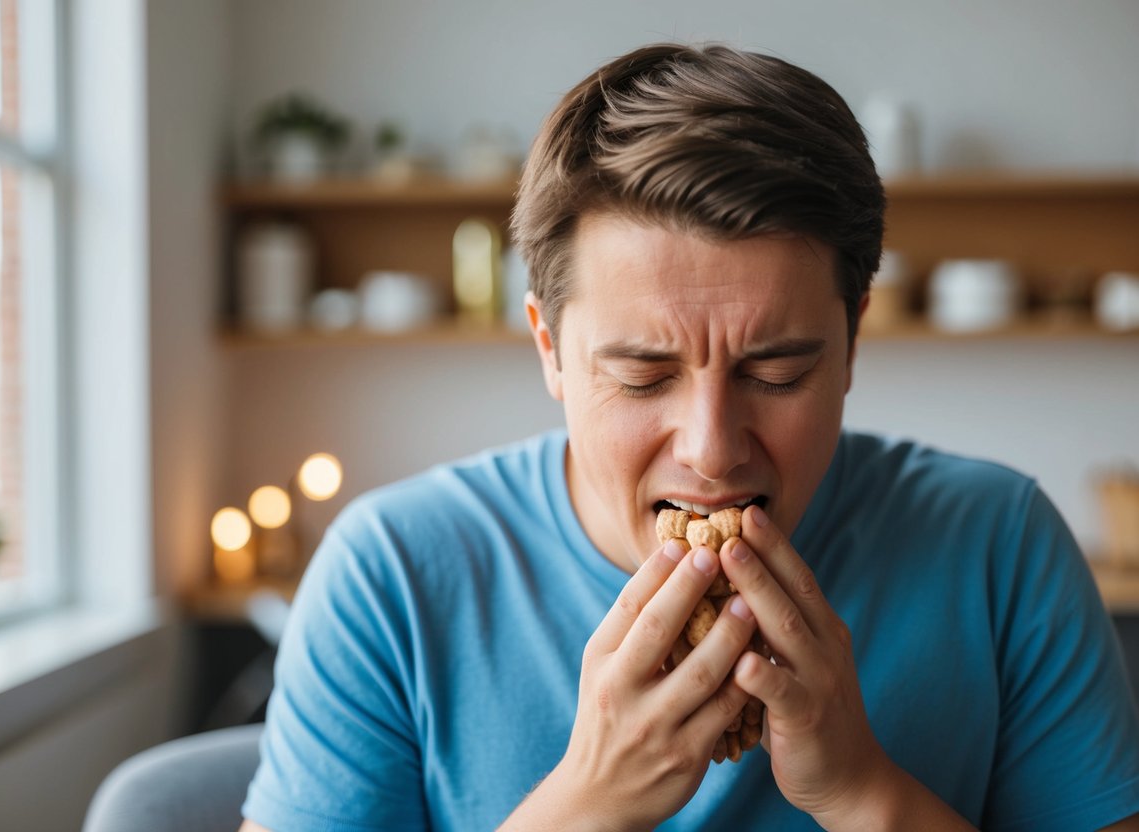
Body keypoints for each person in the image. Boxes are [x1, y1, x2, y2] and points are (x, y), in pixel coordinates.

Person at [239, 43, 1139, 831]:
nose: (712, 450)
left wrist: (862, 792)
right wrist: (587, 803)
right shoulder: (391, 574)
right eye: (642, 377)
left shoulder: (996, 547)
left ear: (854, 339)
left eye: (777, 374)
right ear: (549, 349)